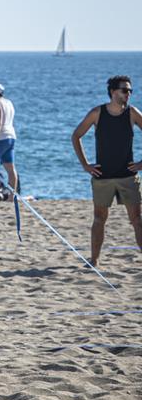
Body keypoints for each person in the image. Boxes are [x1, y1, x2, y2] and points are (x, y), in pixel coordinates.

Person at [70, 75, 142, 266]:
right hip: (103, 177)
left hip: (128, 177)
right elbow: (76, 136)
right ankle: (94, 260)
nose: (128, 94)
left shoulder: (133, 113)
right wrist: (85, 165)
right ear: (113, 92)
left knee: (136, 219)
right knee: (99, 218)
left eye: (130, 91)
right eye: (124, 90)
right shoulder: (97, 113)